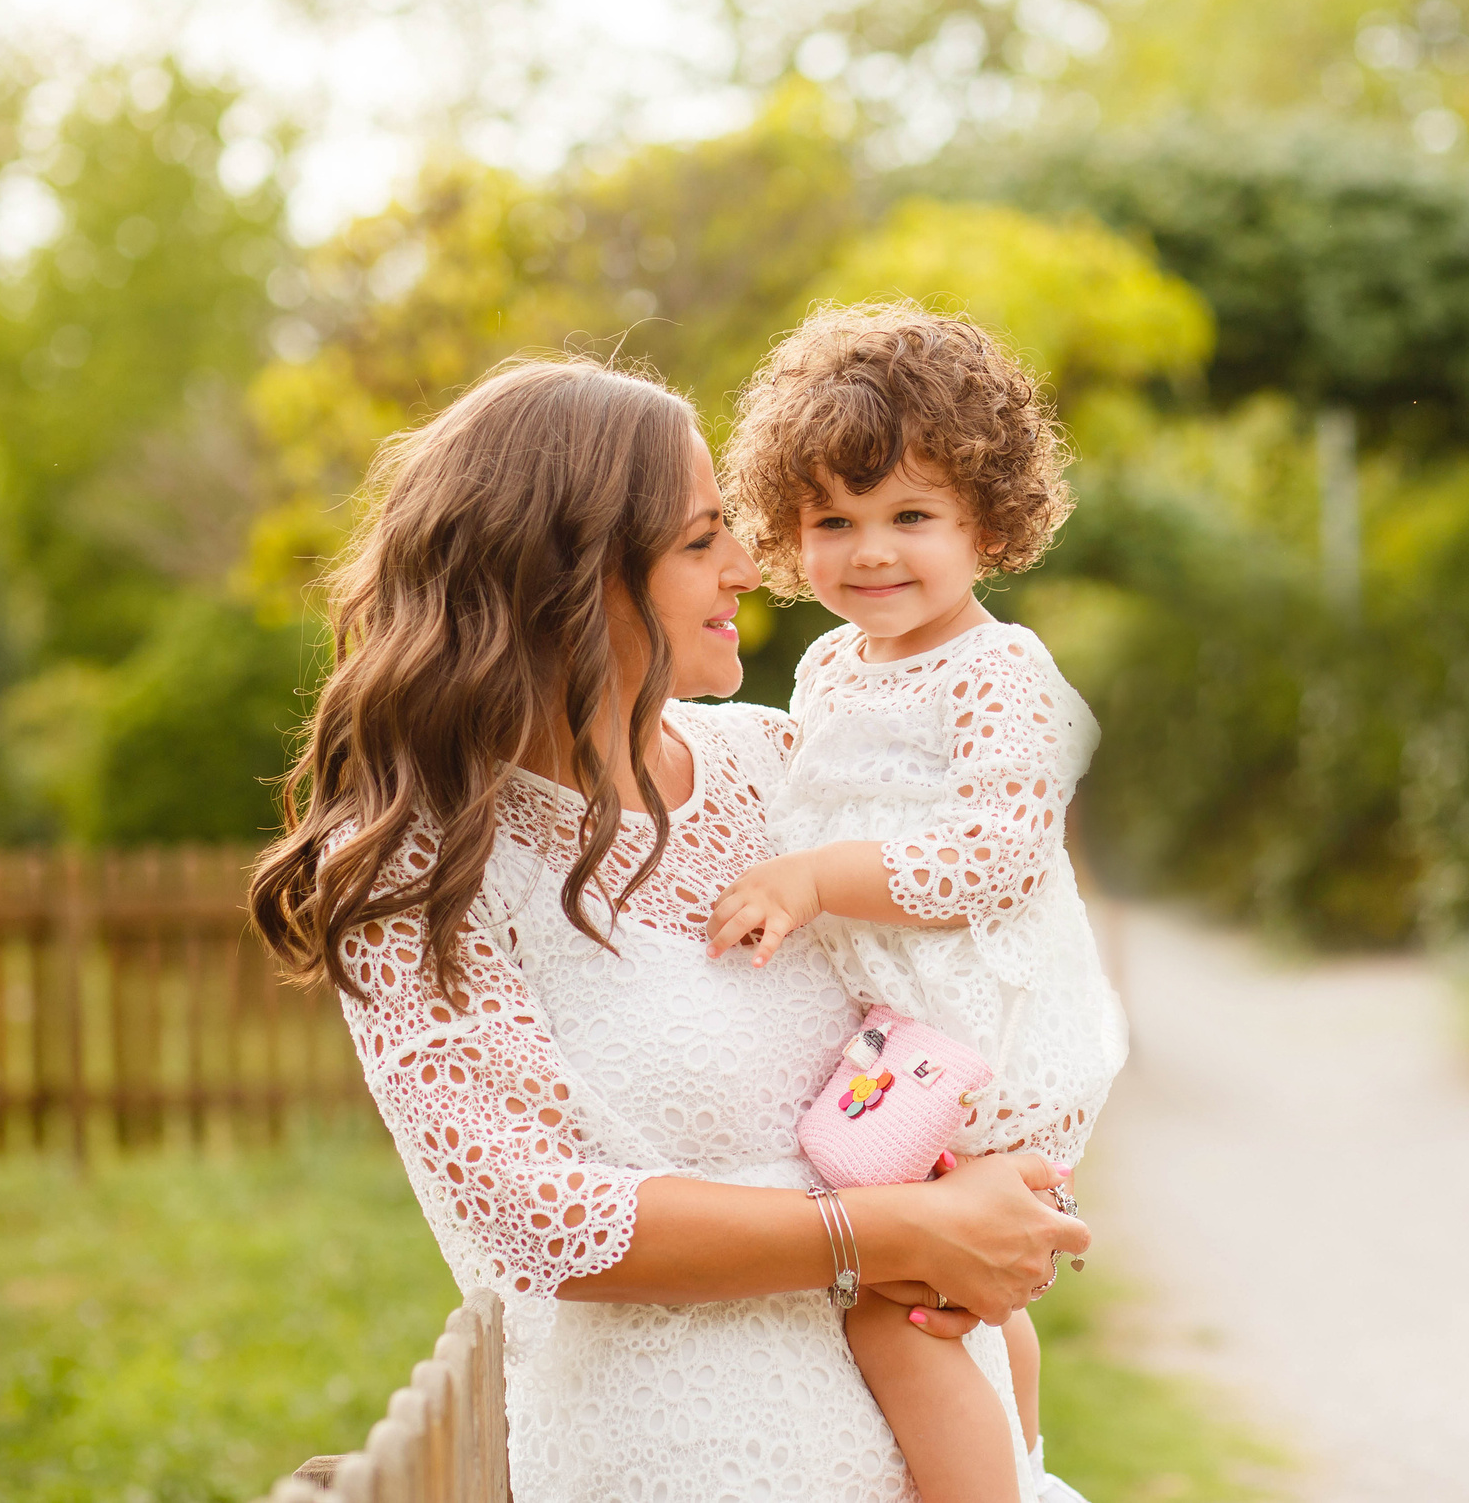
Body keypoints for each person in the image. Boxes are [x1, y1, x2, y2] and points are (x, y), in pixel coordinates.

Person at [248, 356, 1090, 1503]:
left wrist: (1012, 1185)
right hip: (689, 1462)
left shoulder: (780, 766)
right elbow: (534, 1214)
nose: (752, 565)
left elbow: (982, 976)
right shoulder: (421, 873)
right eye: (702, 541)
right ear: (569, 576)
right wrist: (897, 1232)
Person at [708, 304, 1127, 1503]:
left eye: (909, 518)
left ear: (986, 524)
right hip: (904, 1034)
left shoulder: (1002, 672)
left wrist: (813, 881)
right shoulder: (837, 662)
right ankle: (1029, 1463)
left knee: (901, 1309)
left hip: (980, 1038)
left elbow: (988, 857)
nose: (869, 553)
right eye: (831, 522)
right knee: (957, 1295)